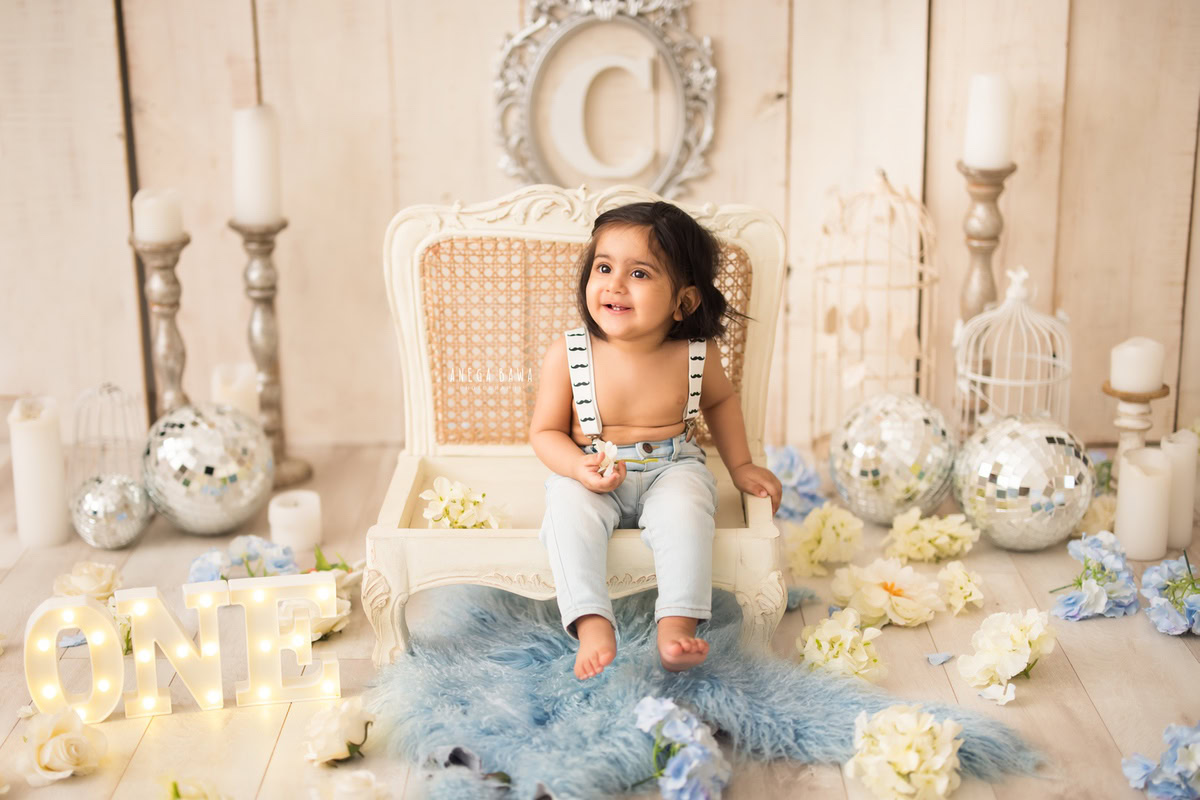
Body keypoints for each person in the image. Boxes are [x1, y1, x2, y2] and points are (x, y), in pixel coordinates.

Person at [528, 201, 782, 681]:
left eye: (639, 273)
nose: (615, 284)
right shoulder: (569, 353)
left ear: (683, 302)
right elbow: (544, 433)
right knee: (566, 511)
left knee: (687, 510)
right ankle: (592, 622)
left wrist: (741, 465)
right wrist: (577, 468)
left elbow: (722, 404)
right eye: (604, 267)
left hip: (672, 466)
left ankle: (676, 624)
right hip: (593, 468)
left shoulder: (695, 355)